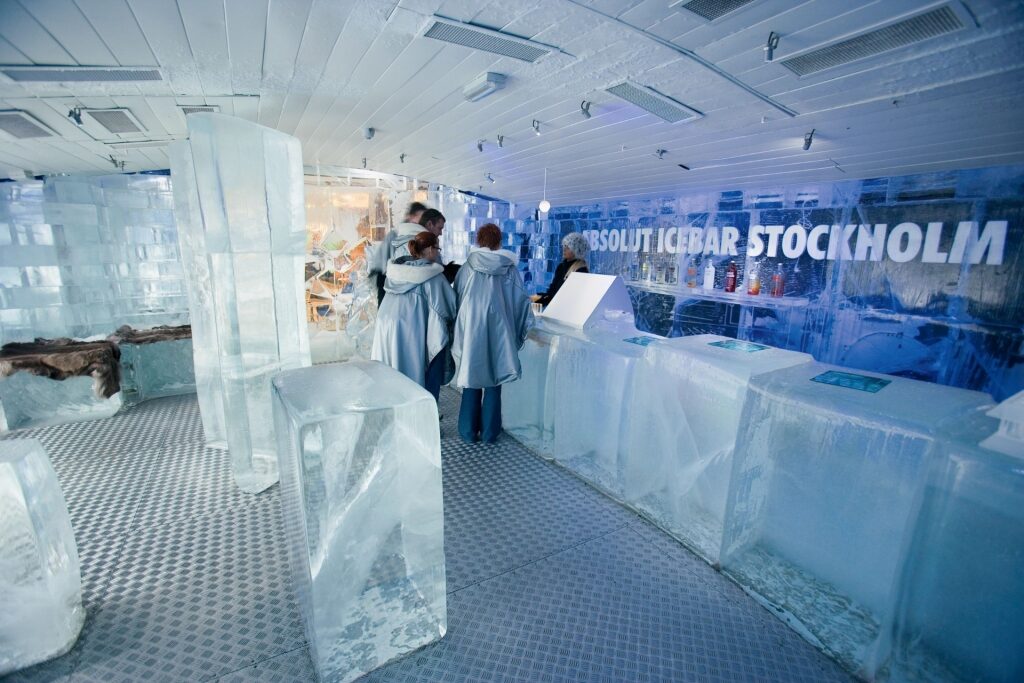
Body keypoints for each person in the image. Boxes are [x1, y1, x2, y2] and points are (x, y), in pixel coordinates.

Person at [451, 223, 533, 443]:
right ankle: (489, 433)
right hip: (500, 331)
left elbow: (457, 296)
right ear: (499, 242)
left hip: (471, 332)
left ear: (479, 240)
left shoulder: (467, 267)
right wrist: (518, 328)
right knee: (494, 380)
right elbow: (520, 303)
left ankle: (468, 432)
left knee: (471, 379)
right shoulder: (509, 269)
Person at [371, 231, 455, 404]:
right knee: (430, 365)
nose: (439, 253)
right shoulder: (433, 277)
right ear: (431, 249)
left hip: (386, 327)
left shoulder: (396, 272)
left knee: (394, 374)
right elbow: (449, 308)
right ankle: (425, 422)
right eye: (438, 249)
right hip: (411, 330)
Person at [368, 202, 427, 305]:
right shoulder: (396, 236)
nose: (422, 222)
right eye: (420, 217)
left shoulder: (413, 237)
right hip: (387, 283)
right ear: (411, 216)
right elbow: (382, 266)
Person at [532, 232, 590, 306]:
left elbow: (570, 298)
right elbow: (552, 292)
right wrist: (539, 297)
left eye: (568, 247)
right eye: (564, 246)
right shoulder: (561, 267)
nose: (564, 249)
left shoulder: (581, 270)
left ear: (577, 250)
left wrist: (541, 298)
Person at [418, 209, 461, 284]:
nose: (440, 233)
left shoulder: (424, 242)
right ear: (429, 224)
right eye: (439, 228)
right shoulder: (420, 244)